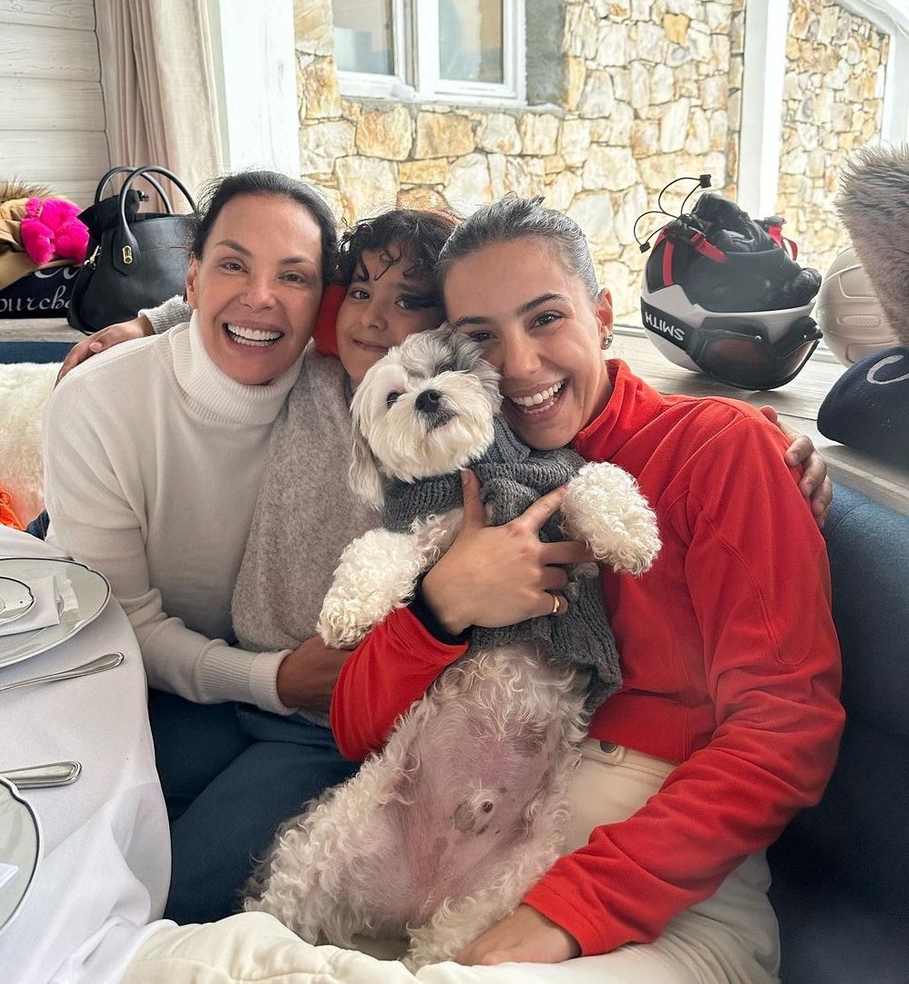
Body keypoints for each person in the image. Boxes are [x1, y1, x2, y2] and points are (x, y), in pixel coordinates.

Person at [328, 195, 844, 980]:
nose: (521, 365)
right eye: (481, 339)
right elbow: (355, 731)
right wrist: (444, 606)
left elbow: (785, 728)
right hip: (460, 882)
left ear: (602, 316)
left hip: (663, 910)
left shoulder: (719, 450)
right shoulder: (457, 486)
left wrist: (569, 911)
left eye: (545, 319)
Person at [43, 182, 457, 923]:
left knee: (174, 892)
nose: (264, 298)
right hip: (203, 673)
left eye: (294, 277)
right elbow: (113, 627)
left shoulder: (389, 387)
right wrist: (150, 323)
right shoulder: (107, 401)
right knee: (68, 823)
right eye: (231, 267)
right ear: (193, 275)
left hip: (319, 712)